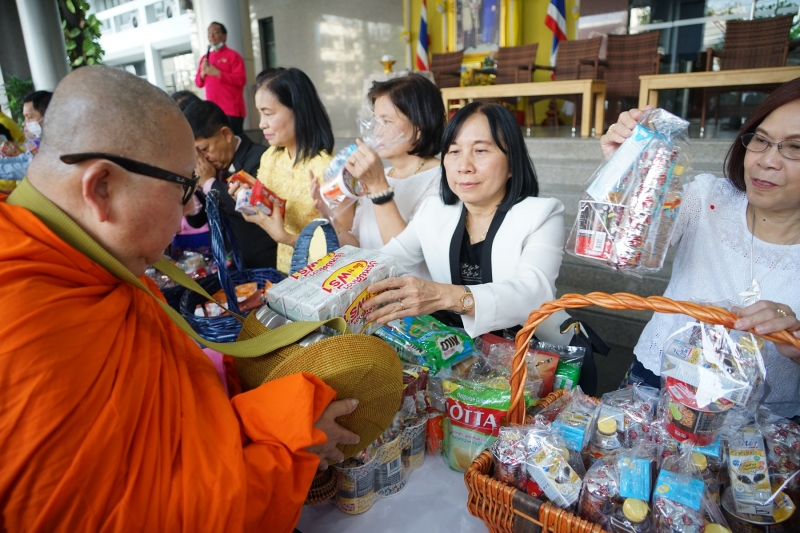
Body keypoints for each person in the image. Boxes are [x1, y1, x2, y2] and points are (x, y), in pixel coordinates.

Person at [0, 65, 359, 532]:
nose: (191, 210)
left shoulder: (89, 263)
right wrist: (292, 444)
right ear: (102, 189)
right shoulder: (25, 324)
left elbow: (168, 414)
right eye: (183, 189)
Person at [602, 81, 800, 419]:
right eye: (761, 140)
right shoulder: (707, 199)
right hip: (655, 384)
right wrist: (632, 172)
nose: (768, 161)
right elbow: (629, 255)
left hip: (760, 423)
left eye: (795, 148)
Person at [364, 102, 571, 343]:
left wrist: (444, 296)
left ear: (512, 163)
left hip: (533, 350)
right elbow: (387, 259)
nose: (464, 167)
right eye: (454, 152)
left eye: (480, 151)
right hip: (459, 350)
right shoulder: (435, 210)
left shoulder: (542, 214)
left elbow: (532, 295)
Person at [311, 74, 444, 280]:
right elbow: (357, 245)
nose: (375, 130)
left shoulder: (441, 179)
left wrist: (378, 185)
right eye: (375, 119)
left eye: (386, 121)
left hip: (411, 304)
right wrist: (329, 214)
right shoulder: (380, 174)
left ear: (419, 128)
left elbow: (408, 258)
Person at [234, 68, 335, 274]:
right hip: (285, 269)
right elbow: (264, 208)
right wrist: (246, 197)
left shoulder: (328, 168)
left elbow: (342, 244)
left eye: (268, 113)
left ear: (299, 111)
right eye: (260, 113)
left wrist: (286, 238)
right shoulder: (271, 157)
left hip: (324, 276)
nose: (262, 124)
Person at [182, 99, 277, 268]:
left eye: (204, 149)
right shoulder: (210, 167)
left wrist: (209, 182)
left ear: (225, 134)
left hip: (263, 263)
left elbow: (252, 208)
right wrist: (195, 188)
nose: (202, 159)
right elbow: (197, 221)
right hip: (230, 264)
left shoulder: (260, 158)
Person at [195, 22, 247, 135]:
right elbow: (198, 83)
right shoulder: (205, 58)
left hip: (231, 110)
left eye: (215, 32)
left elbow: (241, 80)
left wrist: (218, 73)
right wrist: (203, 73)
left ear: (224, 35)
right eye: (209, 33)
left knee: (235, 143)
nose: (211, 36)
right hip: (213, 110)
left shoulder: (233, 56)